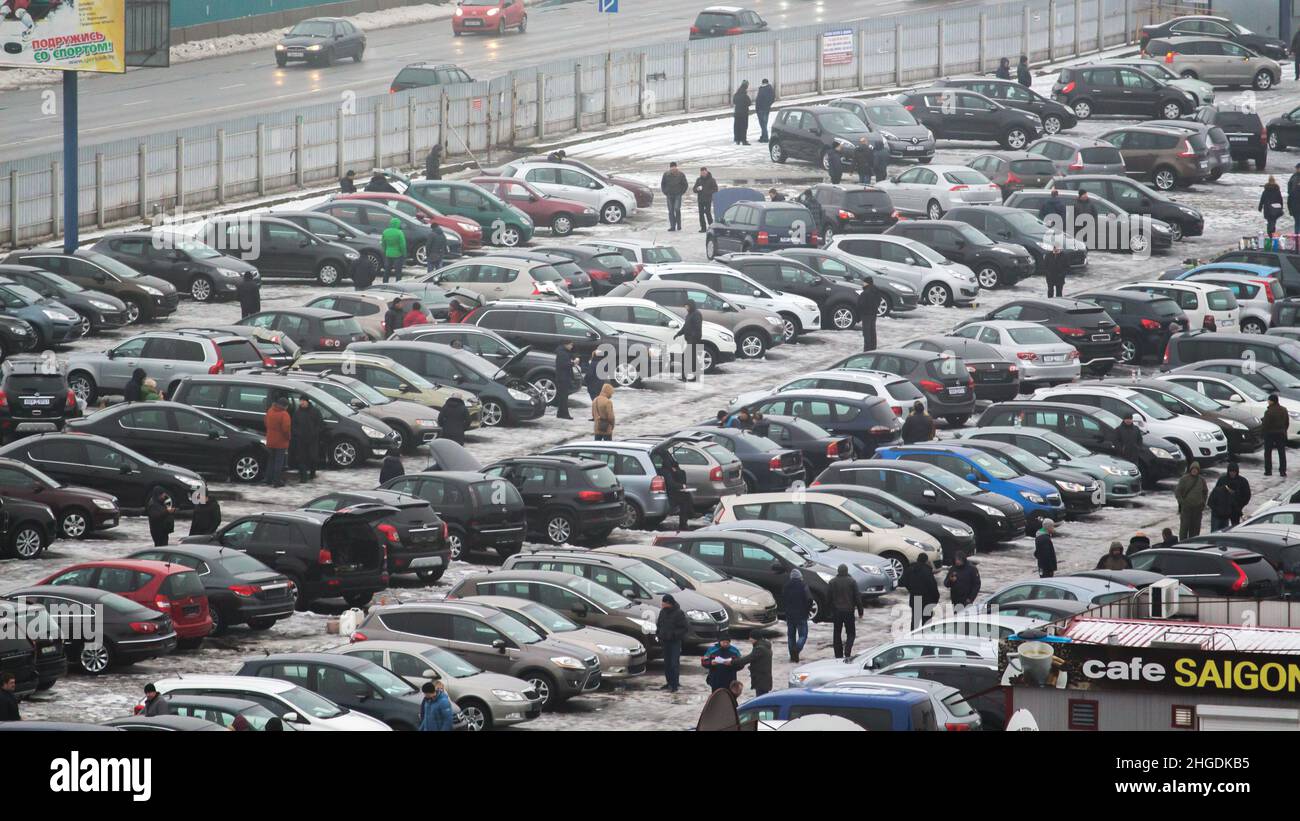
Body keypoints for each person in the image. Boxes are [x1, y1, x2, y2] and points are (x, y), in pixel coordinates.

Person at [827, 564, 862, 659]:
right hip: (849, 611)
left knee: (837, 633)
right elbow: (857, 597)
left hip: (837, 612)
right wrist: (860, 611)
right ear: (847, 571)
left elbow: (828, 598)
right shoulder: (852, 582)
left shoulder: (832, 582)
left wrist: (829, 611)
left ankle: (838, 654)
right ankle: (847, 650)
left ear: (838, 571)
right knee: (851, 633)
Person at [656, 594, 688, 693]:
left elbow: (684, 628)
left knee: (674, 663)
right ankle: (669, 682)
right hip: (665, 642)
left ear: (669, 603)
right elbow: (659, 624)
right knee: (667, 663)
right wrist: (659, 634)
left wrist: (673, 635)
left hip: (675, 642)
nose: (662, 604)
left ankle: (674, 684)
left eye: (664, 602)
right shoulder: (662, 612)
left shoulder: (679, 613)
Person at [657, 443, 693, 530]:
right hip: (670, 494)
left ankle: (688, 516)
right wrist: (682, 486)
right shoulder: (666, 472)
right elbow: (671, 484)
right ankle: (684, 522)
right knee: (685, 499)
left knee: (686, 495)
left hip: (672, 492)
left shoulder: (669, 470)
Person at [899, 552, 939, 627]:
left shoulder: (911, 569)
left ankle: (914, 634)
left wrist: (911, 589)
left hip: (915, 598)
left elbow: (902, 582)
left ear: (917, 559)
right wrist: (936, 599)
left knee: (915, 621)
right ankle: (924, 634)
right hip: (927, 600)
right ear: (926, 561)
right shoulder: (927, 571)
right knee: (926, 623)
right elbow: (933, 586)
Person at [781, 568, 812, 662]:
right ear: (800, 577)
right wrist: (807, 610)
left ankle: (792, 656)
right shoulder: (803, 585)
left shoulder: (786, 586)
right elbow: (809, 599)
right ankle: (796, 650)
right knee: (803, 635)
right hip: (801, 615)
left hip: (790, 615)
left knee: (791, 636)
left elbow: (783, 599)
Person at [291, 396, 323, 482]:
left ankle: (312, 473)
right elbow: (293, 425)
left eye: (303, 401)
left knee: (313, 457)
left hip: (312, 439)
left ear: (307, 402)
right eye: (300, 401)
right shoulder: (297, 412)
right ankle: (303, 477)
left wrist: (315, 433)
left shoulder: (315, 411)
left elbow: (320, 424)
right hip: (301, 439)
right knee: (301, 458)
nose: (301, 403)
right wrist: (297, 433)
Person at [1175, 461, 1208, 539]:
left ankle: (1193, 542)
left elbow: (1205, 492)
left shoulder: (1201, 480)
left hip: (1197, 508)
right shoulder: (1184, 479)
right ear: (1190, 469)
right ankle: (1182, 544)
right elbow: (1178, 492)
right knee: (1184, 528)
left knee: (1195, 529)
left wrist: (1203, 502)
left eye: (1196, 469)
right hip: (1186, 508)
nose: (1194, 471)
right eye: (1193, 469)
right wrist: (1182, 503)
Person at [264, 397, 292, 488]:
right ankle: (276, 481)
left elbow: (266, 423)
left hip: (270, 440)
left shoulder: (270, 411)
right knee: (278, 462)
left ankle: (268, 479)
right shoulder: (284, 414)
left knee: (271, 460)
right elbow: (286, 429)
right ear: (285, 406)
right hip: (280, 442)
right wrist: (288, 438)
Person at [675, 299, 703, 382]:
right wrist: (678, 333)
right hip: (690, 340)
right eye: (685, 306)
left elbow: (697, 328)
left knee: (686, 357)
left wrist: (692, 338)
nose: (686, 308)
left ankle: (684, 376)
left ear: (691, 306)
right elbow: (686, 326)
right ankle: (696, 376)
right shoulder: (689, 314)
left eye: (687, 306)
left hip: (694, 340)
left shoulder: (696, 314)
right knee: (693, 359)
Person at [1263, 393, 1289, 477]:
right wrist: (1284, 430)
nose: (1268, 402)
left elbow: (1265, 425)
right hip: (1281, 434)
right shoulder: (1284, 410)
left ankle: (1268, 471)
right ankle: (1282, 471)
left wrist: (1263, 433)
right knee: (1282, 453)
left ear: (1272, 401)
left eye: (1269, 400)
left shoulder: (1268, 412)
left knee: (1268, 453)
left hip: (1270, 434)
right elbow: (1287, 422)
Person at [856, 276, 883, 351]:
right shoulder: (876, 291)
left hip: (866, 315)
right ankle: (873, 347)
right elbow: (879, 301)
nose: (863, 283)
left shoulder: (865, 293)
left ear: (867, 283)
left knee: (866, 333)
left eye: (864, 282)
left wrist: (861, 311)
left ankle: (867, 349)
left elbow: (860, 304)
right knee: (872, 331)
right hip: (873, 314)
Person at [661, 161, 688, 232]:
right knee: (671, 210)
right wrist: (665, 192)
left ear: (676, 167)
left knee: (677, 208)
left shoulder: (681, 174)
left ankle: (678, 224)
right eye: (671, 167)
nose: (673, 168)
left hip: (677, 195)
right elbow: (663, 184)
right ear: (670, 168)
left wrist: (681, 192)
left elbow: (685, 185)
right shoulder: (666, 174)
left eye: (674, 167)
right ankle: (672, 226)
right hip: (669, 195)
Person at [1223, 462, 1251, 526]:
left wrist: (1240, 505)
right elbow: (1216, 493)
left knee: (1235, 525)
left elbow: (1247, 495)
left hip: (1236, 509)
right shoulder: (1223, 480)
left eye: (1234, 472)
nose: (1232, 473)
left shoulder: (1243, 481)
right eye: (1231, 471)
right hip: (1223, 509)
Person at [380, 218, 407, 284]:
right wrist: (404, 254)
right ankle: (398, 284)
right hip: (398, 255)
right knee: (398, 272)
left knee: (387, 271)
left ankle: (385, 283)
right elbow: (402, 245)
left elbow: (383, 243)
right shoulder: (399, 232)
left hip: (388, 253)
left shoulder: (385, 232)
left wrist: (385, 251)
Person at [554, 341, 575, 419]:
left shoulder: (564, 352)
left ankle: (560, 413)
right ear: (566, 344)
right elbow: (563, 365)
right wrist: (573, 363)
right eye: (571, 345)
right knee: (564, 397)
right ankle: (564, 414)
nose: (572, 347)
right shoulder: (562, 353)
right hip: (563, 377)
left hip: (563, 376)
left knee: (563, 396)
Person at [693, 167, 718, 232]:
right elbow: (694, 189)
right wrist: (697, 189)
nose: (703, 173)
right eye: (702, 172)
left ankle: (712, 227)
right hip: (700, 200)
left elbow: (715, 189)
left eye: (704, 172)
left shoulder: (712, 180)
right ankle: (703, 228)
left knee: (708, 213)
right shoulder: (699, 180)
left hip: (708, 199)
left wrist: (708, 192)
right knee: (701, 214)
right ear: (700, 173)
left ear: (707, 172)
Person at [755, 78, 775, 143]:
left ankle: (765, 137)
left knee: (762, 124)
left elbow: (758, 99)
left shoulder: (762, 89)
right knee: (764, 123)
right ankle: (763, 136)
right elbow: (772, 98)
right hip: (766, 108)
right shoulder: (770, 89)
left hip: (761, 108)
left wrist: (758, 108)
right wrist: (768, 105)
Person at [732, 80, 751, 145]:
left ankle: (737, 139)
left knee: (737, 126)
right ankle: (743, 140)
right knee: (743, 127)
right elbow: (749, 103)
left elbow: (734, 101)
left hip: (737, 113)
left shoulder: (736, 94)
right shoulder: (745, 95)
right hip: (744, 113)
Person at [1288, 163, 1300, 234]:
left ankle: (1297, 236)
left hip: (1295, 203)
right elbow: (1290, 190)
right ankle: (1297, 236)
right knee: (1298, 222)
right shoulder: (1294, 177)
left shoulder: (1294, 177)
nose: (1296, 169)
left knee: (1298, 222)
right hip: (1295, 204)